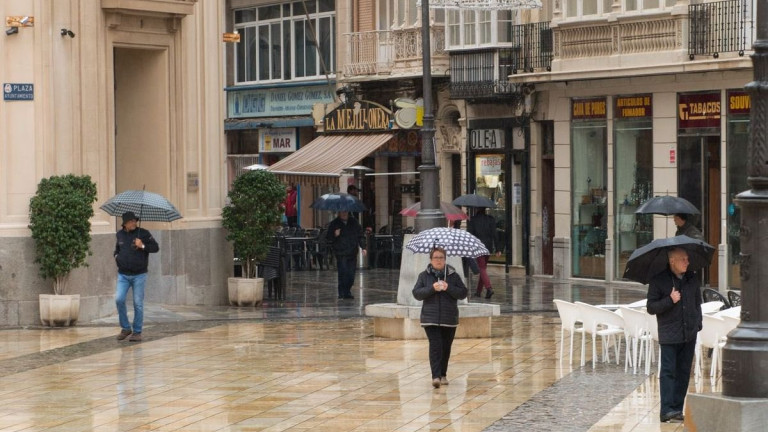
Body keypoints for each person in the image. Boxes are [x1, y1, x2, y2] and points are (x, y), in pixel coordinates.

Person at [646, 247, 702, 423]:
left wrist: (697, 325)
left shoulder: (692, 278)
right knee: (669, 372)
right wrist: (670, 300)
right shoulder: (659, 280)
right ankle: (666, 410)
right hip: (670, 334)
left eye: (687, 259)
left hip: (689, 333)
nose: (687, 262)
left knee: (684, 371)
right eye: (682, 259)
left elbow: (697, 303)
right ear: (672, 261)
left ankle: (677, 409)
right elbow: (651, 307)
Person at [412, 247, 468, 389]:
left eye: (441, 258)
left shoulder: (453, 275)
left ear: (445, 259)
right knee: (436, 346)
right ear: (431, 260)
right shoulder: (424, 276)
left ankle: (443, 374)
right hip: (430, 318)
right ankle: (435, 376)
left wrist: (448, 287)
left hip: (449, 318)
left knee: (446, 347)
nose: (438, 260)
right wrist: (432, 288)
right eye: (436, 258)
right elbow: (417, 293)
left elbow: (462, 293)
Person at [114, 211, 159, 342]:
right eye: (131, 221)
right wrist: (116, 257)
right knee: (119, 299)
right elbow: (117, 249)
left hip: (139, 275)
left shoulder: (143, 233)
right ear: (125, 224)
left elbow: (155, 248)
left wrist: (142, 245)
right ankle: (126, 328)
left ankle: (137, 332)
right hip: (123, 274)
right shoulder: (119, 234)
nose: (134, 223)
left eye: (135, 220)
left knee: (137, 303)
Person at [326, 211, 366, 299]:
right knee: (343, 272)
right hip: (341, 252)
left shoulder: (354, 222)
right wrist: (335, 234)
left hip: (352, 252)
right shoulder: (334, 223)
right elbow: (328, 238)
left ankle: (347, 291)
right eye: (342, 212)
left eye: (345, 212)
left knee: (351, 274)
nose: (344, 214)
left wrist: (363, 247)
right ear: (339, 213)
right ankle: (342, 292)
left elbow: (360, 235)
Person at [467, 207, 501, 299]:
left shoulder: (473, 220)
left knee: (482, 268)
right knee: (483, 268)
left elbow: (470, 235)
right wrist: (498, 249)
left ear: (477, 210)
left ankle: (489, 288)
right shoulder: (490, 219)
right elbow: (495, 234)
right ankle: (478, 291)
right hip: (488, 247)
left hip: (478, 246)